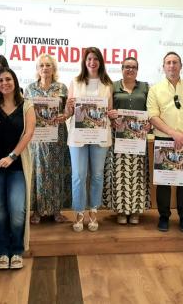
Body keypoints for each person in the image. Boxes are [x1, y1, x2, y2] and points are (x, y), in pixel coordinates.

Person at [147, 52, 183, 233]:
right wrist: (173, 133)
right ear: (163, 67)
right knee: (164, 182)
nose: (172, 66)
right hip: (164, 139)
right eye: (168, 63)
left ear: (181, 66)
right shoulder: (155, 89)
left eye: (175, 62)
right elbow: (153, 116)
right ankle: (164, 216)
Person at [0, 67, 34, 269]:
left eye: (8, 79)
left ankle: (17, 249)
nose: (4, 83)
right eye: (0, 80)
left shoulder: (27, 106)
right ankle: (3, 251)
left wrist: (12, 156)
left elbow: (28, 133)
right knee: (0, 210)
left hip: (17, 166)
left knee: (17, 210)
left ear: (15, 81)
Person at [65, 47, 113, 232]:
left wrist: (112, 114)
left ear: (100, 62)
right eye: (89, 59)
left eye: (95, 59)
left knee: (97, 175)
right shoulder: (75, 82)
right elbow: (69, 112)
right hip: (78, 137)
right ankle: (78, 212)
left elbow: (109, 113)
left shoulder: (107, 85)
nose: (92, 62)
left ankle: (93, 211)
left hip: (100, 137)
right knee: (78, 175)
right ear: (84, 62)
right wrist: (69, 107)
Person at [24, 54, 71, 224]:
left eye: (48, 65)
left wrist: (65, 115)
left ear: (53, 68)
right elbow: (24, 112)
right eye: (41, 65)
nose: (45, 68)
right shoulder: (29, 89)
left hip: (57, 136)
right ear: (37, 69)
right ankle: (37, 211)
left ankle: (57, 211)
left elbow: (68, 111)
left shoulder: (62, 88)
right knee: (38, 171)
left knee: (56, 172)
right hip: (36, 137)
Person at [104, 57, 151, 225]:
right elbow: (107, 110)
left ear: (137, 70)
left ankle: (135, 211)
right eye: (127, 67)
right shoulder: (112, 86)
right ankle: (121, 211)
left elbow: (151, 111)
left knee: (138, 174)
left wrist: (149, 124)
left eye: (133, 67)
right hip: (119, 138)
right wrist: (111, 117)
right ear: (121, 68)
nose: (130, 70)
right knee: (120, 175)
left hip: (138, 138)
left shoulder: (145, 87)